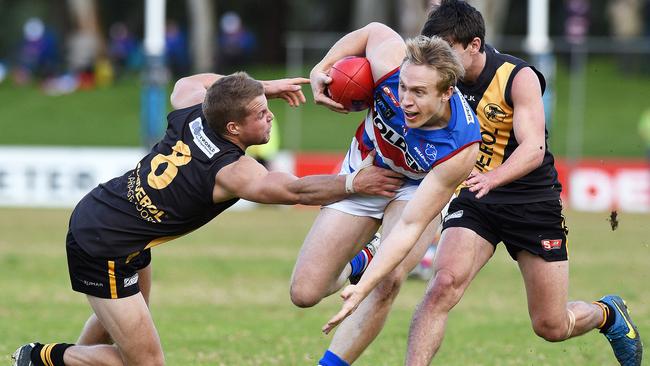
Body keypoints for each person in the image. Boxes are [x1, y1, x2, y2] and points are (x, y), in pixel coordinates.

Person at [324, 1, 643, 365]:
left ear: (473, 45)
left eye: (446, 50)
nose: (437, 61)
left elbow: (534, 149)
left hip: (530, 200)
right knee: (440, 287)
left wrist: (493, 177)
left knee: (551, 325)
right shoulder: (440, 80)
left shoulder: (517, 76)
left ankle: (608, 313)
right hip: (474, 197)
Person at [11, 72, 404, 366]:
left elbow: (190, 81)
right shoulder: (229, 170)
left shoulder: (192, 111)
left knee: (121, 332)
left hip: (115, 225)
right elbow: (294, 191)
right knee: (145, 363)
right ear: (233, 127)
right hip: (102, 247)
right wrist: (354, 182)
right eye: (262, 113)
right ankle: (43, 358)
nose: (271, 117)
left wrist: (260, 88)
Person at [289, 23, 480, 366]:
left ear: (447, 92)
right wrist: (321, 67)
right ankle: (364, 259)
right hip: (366, 167)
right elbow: (372, 30)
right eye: (403, 88)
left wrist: (362, 290)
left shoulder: (460, 146)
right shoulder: (391, 62)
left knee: (387, 280)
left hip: (415, 189)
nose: (406, 100)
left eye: (419, 93)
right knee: (305, 293)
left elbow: (410, 225)